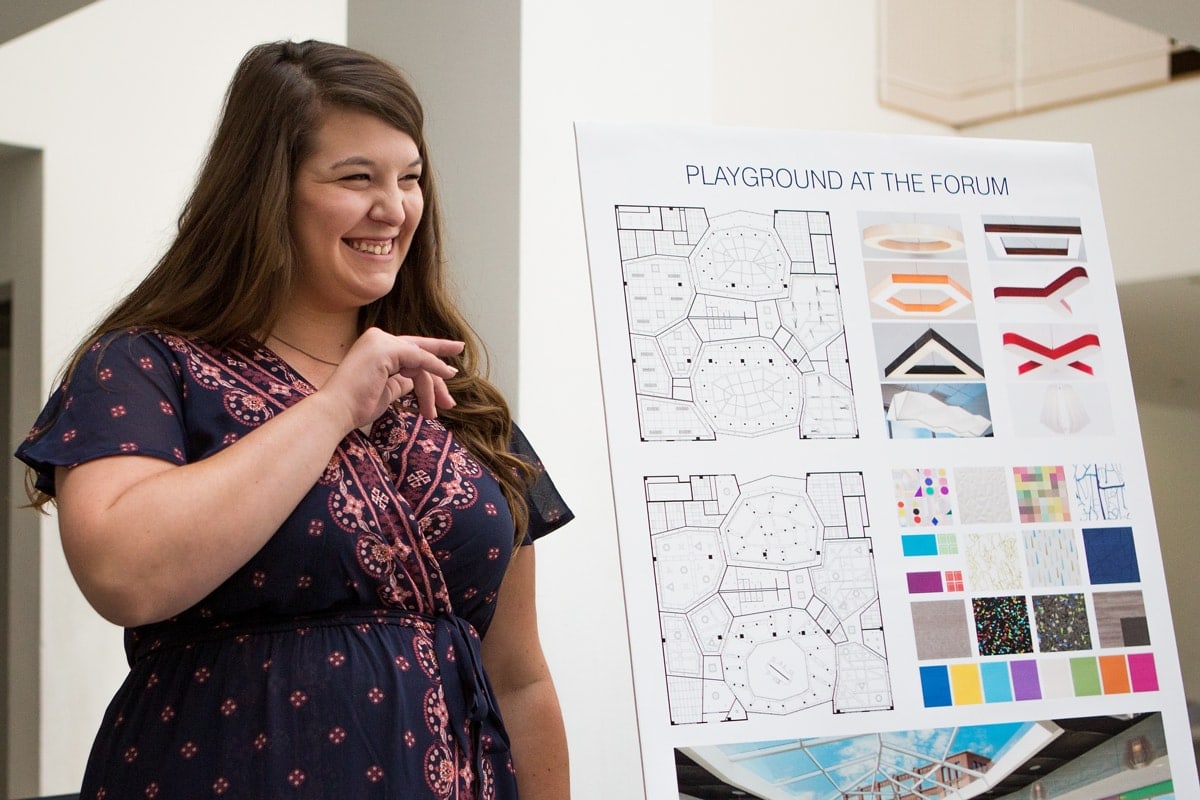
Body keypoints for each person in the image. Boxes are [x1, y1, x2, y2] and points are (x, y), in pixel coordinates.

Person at [15, 39, 572, 799]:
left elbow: (521, 678)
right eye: (356, 179)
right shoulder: (146, 365)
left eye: (410, 178)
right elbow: (124, 574)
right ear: (266, 192)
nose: (395, 207)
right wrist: (336, 406)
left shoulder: (457, 399)